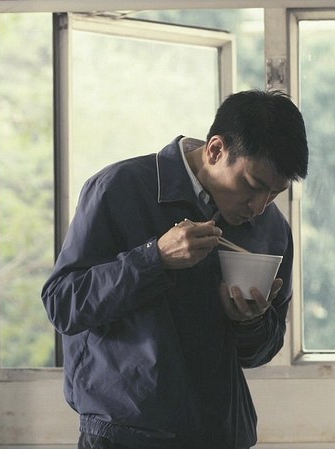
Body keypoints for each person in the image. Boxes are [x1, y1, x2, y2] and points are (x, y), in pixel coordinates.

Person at [40, 89, 309, 449]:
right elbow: (63, 304)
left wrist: (250, 322)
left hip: (222, 435)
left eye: (274, 193)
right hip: (125, 434)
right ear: (216, 150)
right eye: (252, 185)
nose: (259, 207)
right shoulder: (119, 189)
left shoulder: (272, 229)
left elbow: (260, 352)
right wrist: (154, 258)